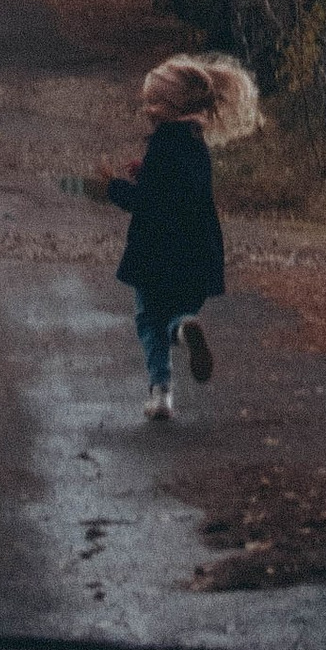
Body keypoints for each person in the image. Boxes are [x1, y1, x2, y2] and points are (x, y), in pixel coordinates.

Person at [106, 55, 230, 420]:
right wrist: (147, 170)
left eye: (153, 102)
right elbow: (180, 187)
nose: (147, 109)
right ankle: (183, 326)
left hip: (157, 251)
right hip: (197, 252)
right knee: (175, 311)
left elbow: (149, 203)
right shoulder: (195, 142)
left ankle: (161, 394)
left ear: (171, 107)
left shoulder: (163, 144)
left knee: (148, 320)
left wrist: (113, 188)